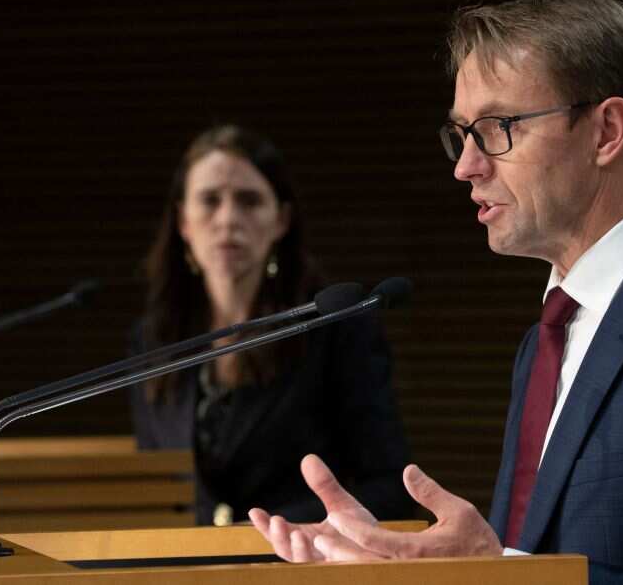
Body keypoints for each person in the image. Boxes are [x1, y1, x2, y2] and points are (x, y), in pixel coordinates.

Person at [249, 0, 623, 584]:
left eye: (497, 127)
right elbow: (526, 560)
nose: (465, 165)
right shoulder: (547, 336)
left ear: (606, 131)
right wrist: (393, 564)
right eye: (461, 134)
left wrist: (496, 573)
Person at [130, 124, 413, 526]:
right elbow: (156, 489)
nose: (228, 219)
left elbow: (390, 489)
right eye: (210, 201)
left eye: (248, 201)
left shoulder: (334, 327)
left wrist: (271, 529)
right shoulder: (152, 339)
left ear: (280, 220)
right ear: (183, 223)